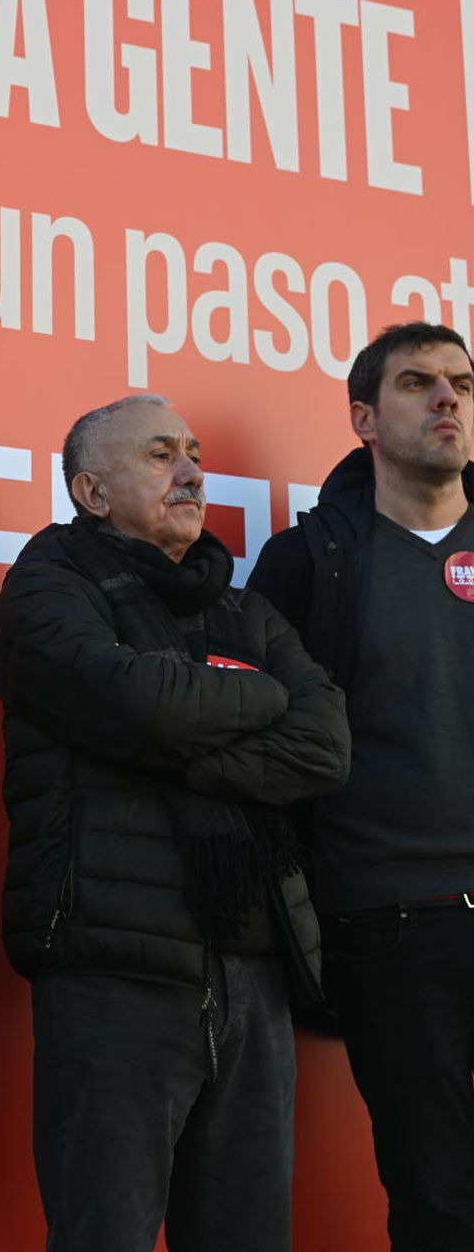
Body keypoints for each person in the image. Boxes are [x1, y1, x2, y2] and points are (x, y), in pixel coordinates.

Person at [0, 393, 350, 1252]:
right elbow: (138, 704)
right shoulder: (49, 582)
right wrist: (256, 695)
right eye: (161, 456)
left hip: (254, 968)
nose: (191, 472)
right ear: (91, 491)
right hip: (115, 971)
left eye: (193, 453)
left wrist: (188, 752)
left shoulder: (243, 608)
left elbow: (325, 744)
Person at [250, 321, 474, 1252]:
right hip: (389, 918)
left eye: (461, 382)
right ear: (364, 419)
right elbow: (261, 738)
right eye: (418, 382)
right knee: (440, 1199)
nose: (448, 398)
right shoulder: (311, 561)